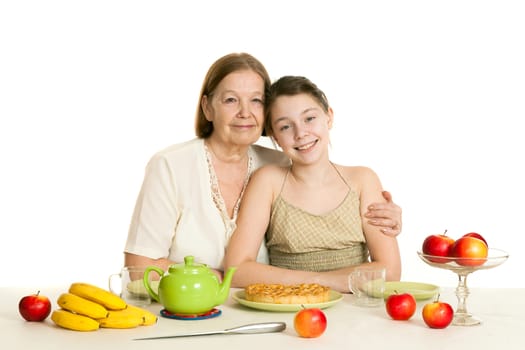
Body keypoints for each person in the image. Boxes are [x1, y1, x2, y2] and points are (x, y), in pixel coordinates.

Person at [123, 53, 402, 278]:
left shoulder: (280, 162)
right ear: (208, 108)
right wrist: (216, 278)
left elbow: (322, 196)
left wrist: (387, 216)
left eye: (255, 100)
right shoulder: (171, 165)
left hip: (262, 311)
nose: (245, 112)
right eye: (231, 100)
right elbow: (139, 265)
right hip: (186, 305)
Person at [224, 76, 401, 292]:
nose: (301, 134)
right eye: (286, 126)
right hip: (291, 307)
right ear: (275, 137)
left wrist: (316, 282)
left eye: (309, 119)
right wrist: (319, 283)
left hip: (357, 311)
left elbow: (390, 273)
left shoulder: (362, 180)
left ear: (329, 117)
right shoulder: (268, 182)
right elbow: (237, 269)